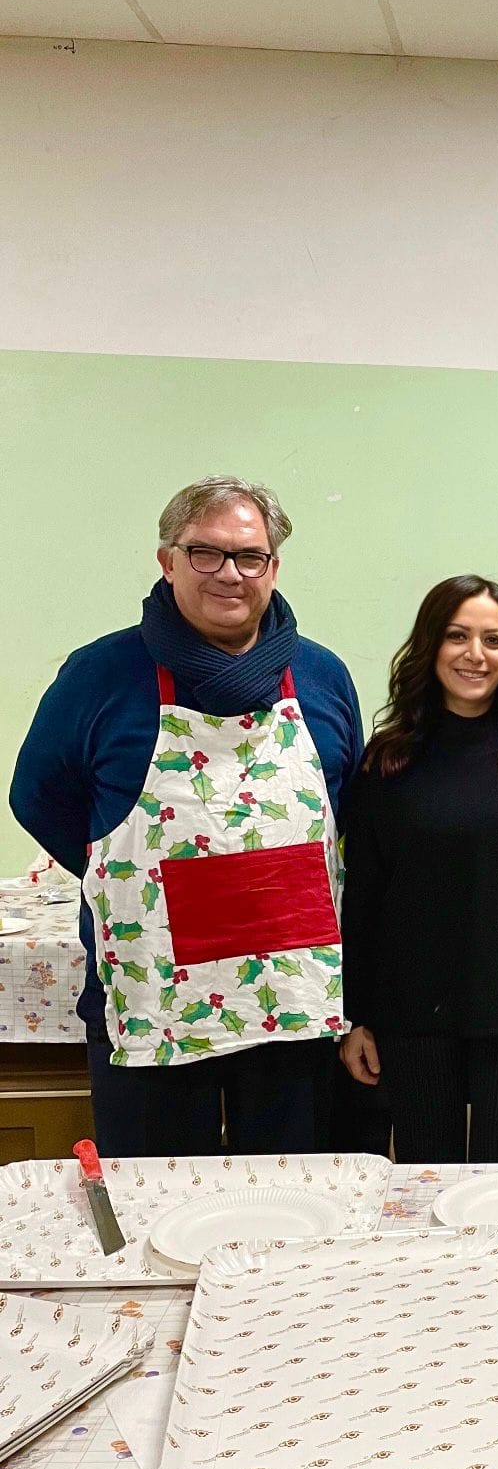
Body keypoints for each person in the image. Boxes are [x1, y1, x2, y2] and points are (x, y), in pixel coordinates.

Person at [9, 474, 363, 1156]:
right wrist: (133, 874)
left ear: (274, 566)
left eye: (248, 555)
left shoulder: (322, 676)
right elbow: (38, 798)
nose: (229, 573)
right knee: (154, 1204)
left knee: (289, 1198)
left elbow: (345, 808)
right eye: (206, 552)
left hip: (290, 998)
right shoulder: (100, 674)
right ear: (167, 559)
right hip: (153, 993)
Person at [339, 575, 498, 1163]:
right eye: (458, 636)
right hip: (412, 1017)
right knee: (424, 1178)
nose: (475, 655)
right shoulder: (389, 760)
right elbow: (363, 899)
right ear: (431, 645)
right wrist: (356, 1016)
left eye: (494, 639)